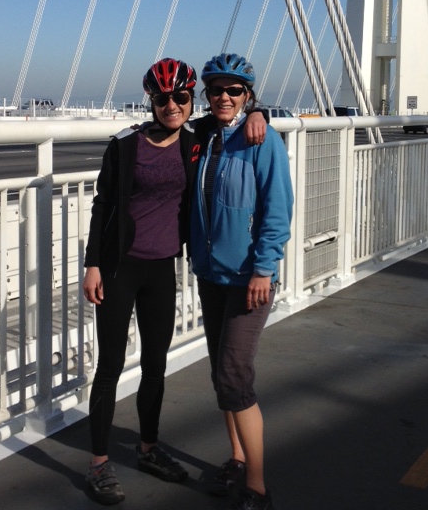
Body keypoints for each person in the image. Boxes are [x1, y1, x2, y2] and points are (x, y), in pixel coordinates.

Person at [82, 57, 268, 505]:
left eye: (181, 97)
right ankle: (99, 464)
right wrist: (93, 265)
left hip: (162, 268)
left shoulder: (195, 139)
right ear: (151, 100)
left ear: (190, 100)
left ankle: (148, 449)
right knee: (110, 366)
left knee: (155, 365)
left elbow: (232, 110)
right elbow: (103, 204)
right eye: (163, 98)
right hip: (120, 268)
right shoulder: (125, 144)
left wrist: (260, 111)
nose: (172, 106)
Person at [190, 53, 294, 510]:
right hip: (210, 274)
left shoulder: (262, 140)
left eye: (235, 91)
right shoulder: (203, 136)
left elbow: (277, 210)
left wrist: (264, 270)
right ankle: (235, 457)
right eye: (216, 90)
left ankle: (257, 486)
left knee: (234, 377)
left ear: (248, 95)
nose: (224, 97)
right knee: (221, 373)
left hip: (249, 278)